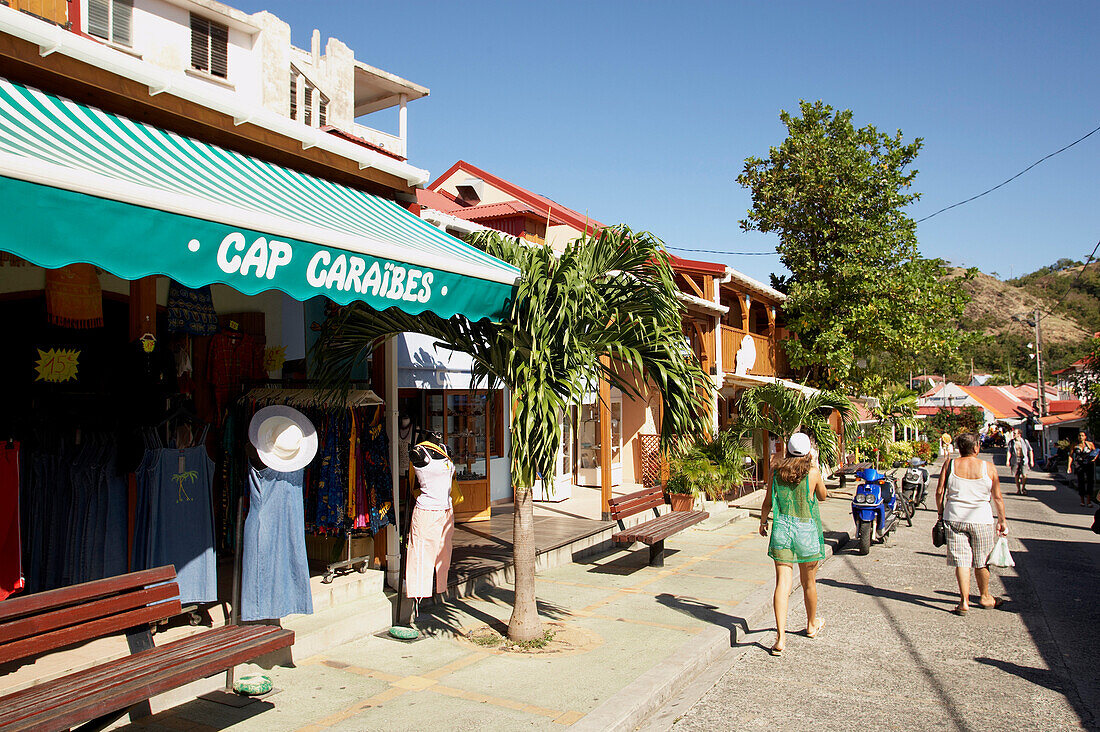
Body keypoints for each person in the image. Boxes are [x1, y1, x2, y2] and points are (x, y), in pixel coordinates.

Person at [759, 432, 827, 656]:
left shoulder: (776, 472)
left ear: (787, 450)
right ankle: (810, 624)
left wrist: (762, 522)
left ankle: (780, 638)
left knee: (782, 584)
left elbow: (768, 501)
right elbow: (823, 496)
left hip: (782, 529)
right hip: (806, 530)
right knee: (809, 583)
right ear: (808, 452)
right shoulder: (813, 473)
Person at [935, 432, 1007, 615]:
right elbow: (997, 497)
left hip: (954, 518)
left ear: (959, 448)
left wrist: (941, 513)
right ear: (976, 448)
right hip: (981, 519)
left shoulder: (950, 464)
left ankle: (964, 602)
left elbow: (939, 491)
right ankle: (985, 596)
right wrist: (1002, 520)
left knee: (962, 561)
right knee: (982, 561)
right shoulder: (988, 467)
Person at [1068, 430, 1097, 508]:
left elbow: (1095, 452)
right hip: (1079, 464)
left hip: (1089, 464)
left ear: (1085, 437)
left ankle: (1089, 500)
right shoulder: (1074, 445)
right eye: (1079, 435)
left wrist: (1094, 459)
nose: (1080, 437)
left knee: (1090, 482)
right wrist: (1069, 466)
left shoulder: (1090, 444)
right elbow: (1070, 456)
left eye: (1082, 435)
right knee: (1081, 482)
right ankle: (1082, 500)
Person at [1005, 428, 1034, 496]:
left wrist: (1031, 460)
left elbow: (1030, 450)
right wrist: (1007, 460)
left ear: (1019, 434)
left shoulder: (1024, 441)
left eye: (1015, 433)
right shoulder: (1011, 442)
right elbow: (1009, 451)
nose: (1013, 434)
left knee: (1024, 474)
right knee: (1016, 475)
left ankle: (1023, 487)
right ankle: (1018, 489)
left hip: (1024, 459)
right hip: (1015, 459)